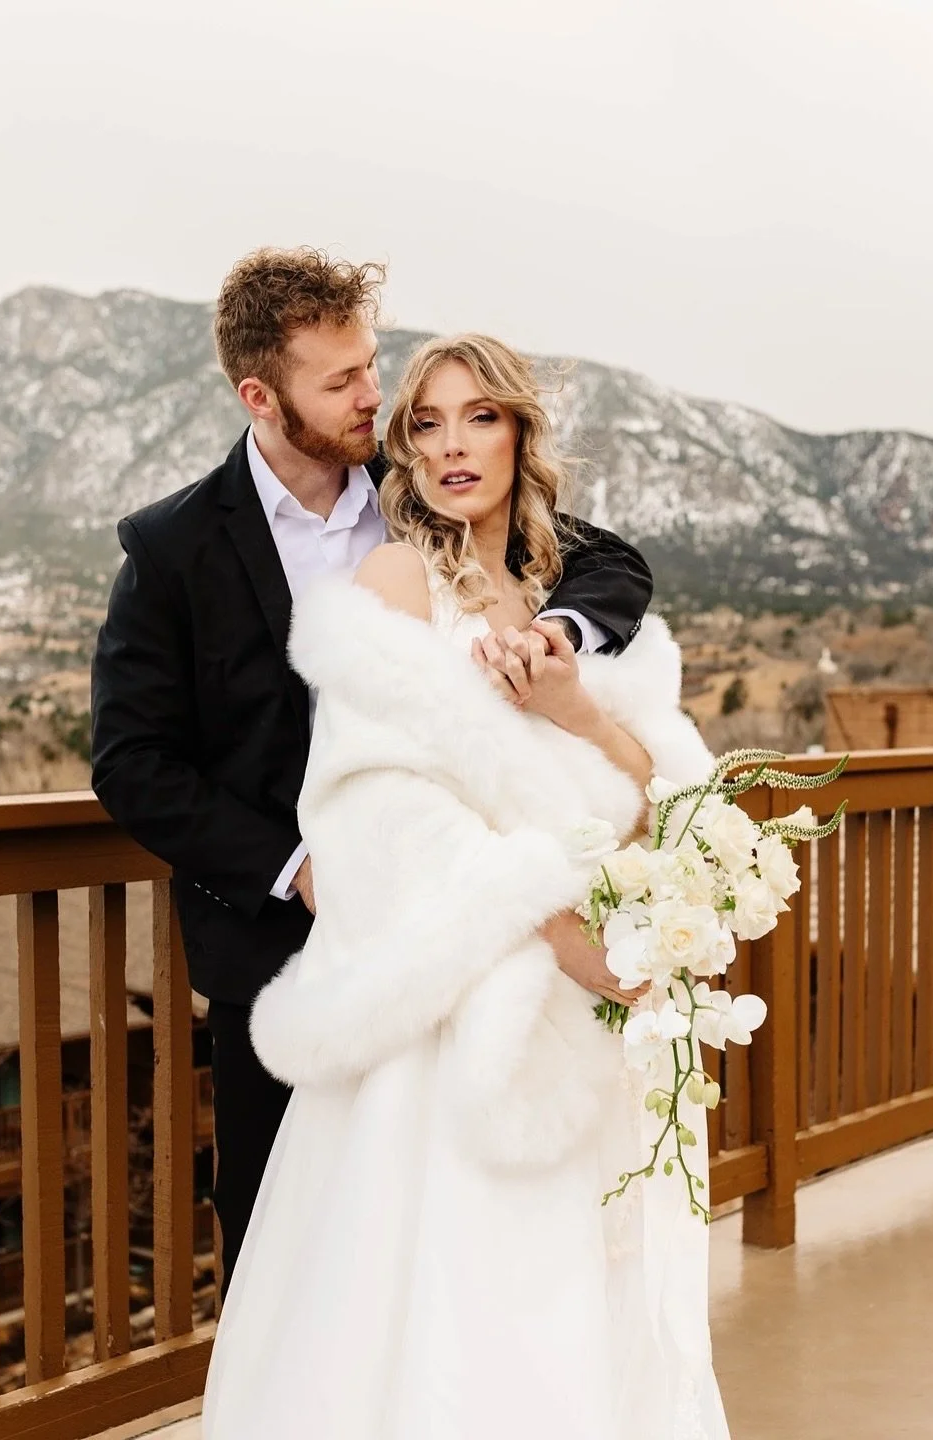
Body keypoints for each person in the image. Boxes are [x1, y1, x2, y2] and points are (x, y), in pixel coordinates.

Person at [90, 248, 655, 1299]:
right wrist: (299, 865)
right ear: (261, 395)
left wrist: (558, 638)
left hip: (469, 934)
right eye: (341, 379)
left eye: (370, 365)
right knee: (287, 1239)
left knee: (445, 1250)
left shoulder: (417, 499)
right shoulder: (173, 549)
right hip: (283, 949)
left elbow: (604, 560)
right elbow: (131, 762)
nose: (373, 397)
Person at [200, 333, 727, 1438]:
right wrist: (555, 927)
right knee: (465, 1309)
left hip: (590, 1011)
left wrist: (573, 710)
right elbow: (379, 812)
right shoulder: (391, 585)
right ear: (405, 449)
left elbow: (647, 785)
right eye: (427, 423)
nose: (452, 445)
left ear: (519, 432)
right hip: (461, 1014)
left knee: (592, 1295)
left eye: (478, 417)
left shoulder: (561, 594)